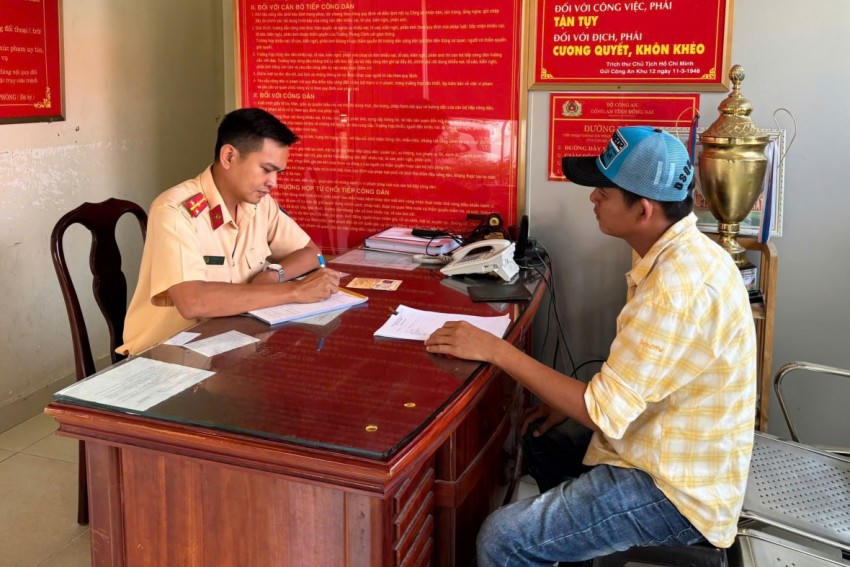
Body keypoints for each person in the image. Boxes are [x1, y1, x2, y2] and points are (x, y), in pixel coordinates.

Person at [425, 126, 757, 565]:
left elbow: (602, 411)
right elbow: (642, 373)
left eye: (604, 190)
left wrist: (495, 349)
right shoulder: (678, 252)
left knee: (502, 538)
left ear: (643, 209)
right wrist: (567, 403)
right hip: (656, 441)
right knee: (541, 438)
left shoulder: (676, 287)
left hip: (675, 490)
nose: (593, 198)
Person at [119, 108, 340, 355]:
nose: (273, 183)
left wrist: (274, 275)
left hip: (233, 344)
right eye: (266, 169)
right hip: (169, 354)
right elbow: (193, 301)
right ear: (229, 157)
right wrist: (295, 291)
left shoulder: (261, 206)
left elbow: (312, 253)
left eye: (278, 173)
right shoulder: (175, 210)